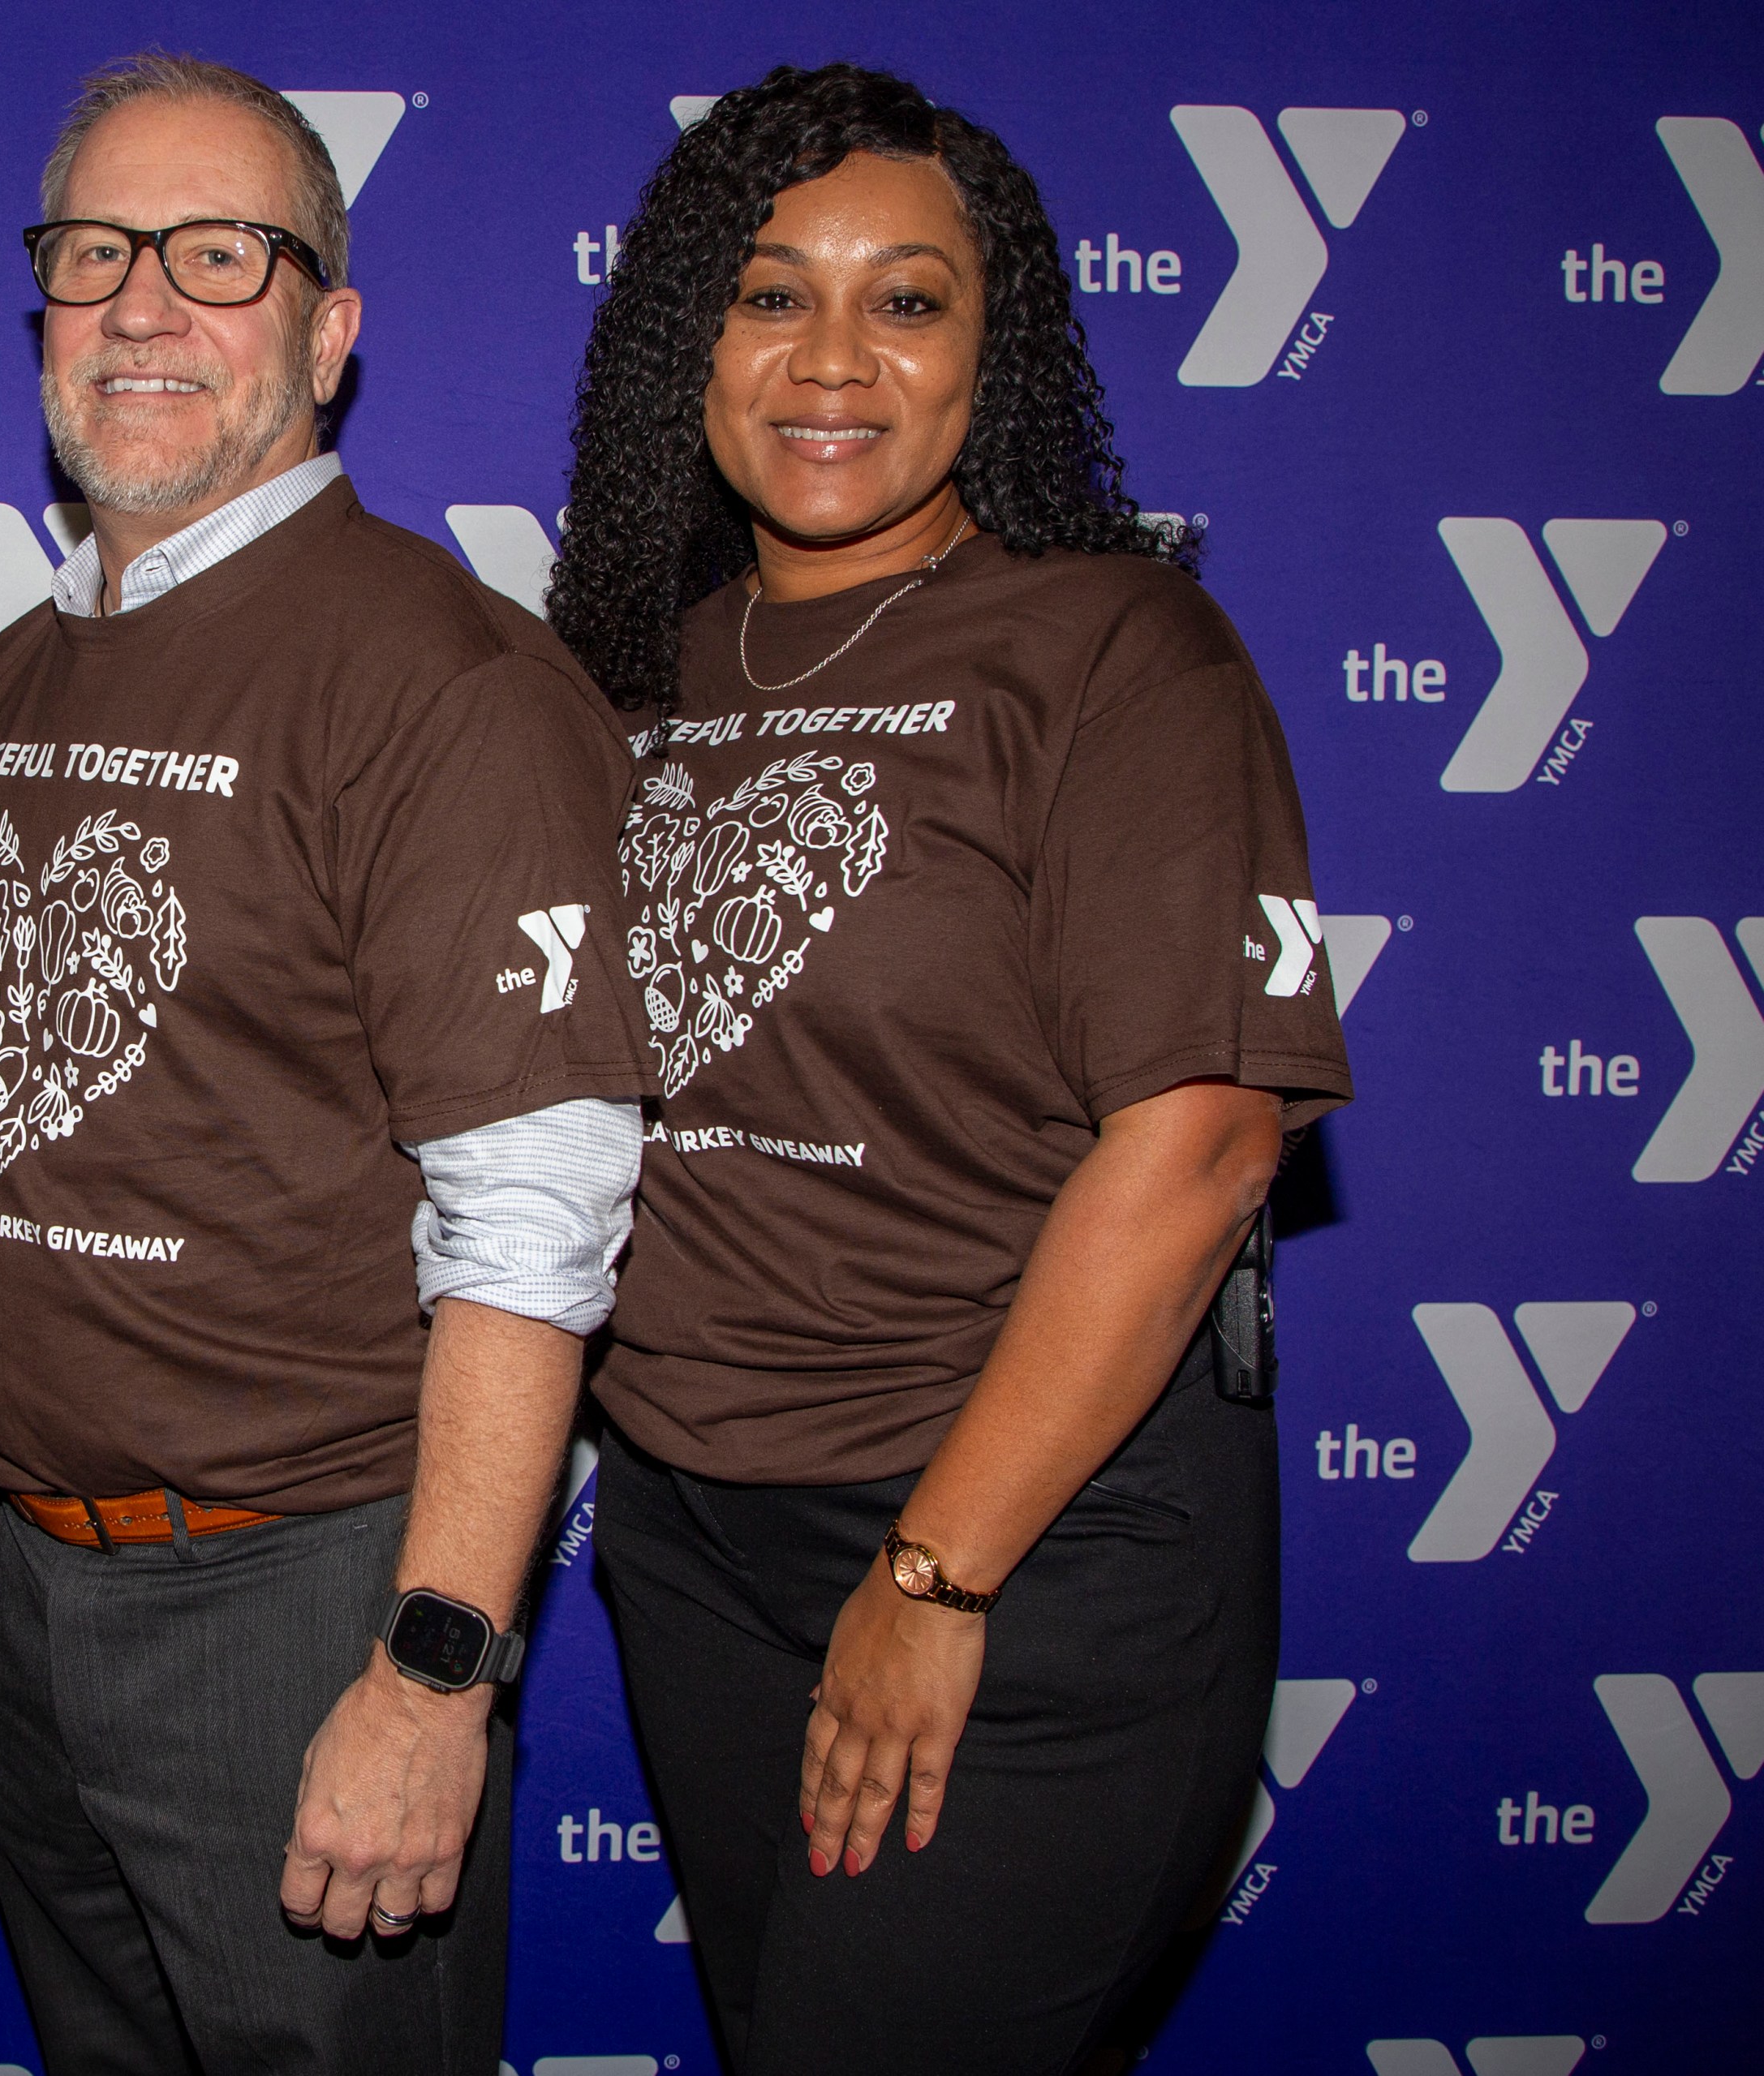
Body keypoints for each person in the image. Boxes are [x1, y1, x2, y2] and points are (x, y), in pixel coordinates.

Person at [547, 64, 1353, 2075]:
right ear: (685, 344)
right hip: (688, 1530)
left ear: (995, 358)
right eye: (768, 296)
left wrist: (938, 1565)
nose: (834, 359)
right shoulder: (626, 670)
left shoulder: (1115, 646)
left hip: (1018, 1536)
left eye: (907, 301)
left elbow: (1198, 1141)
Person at [0, 53, 650, 2076]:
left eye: (218, 254)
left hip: (304, 1601)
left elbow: (538, 1206)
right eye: (94, 253)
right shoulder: (6, 681)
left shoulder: (442, 676)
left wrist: (430, 1671)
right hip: (36, 1592)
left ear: (327, 328)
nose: (144, 303)